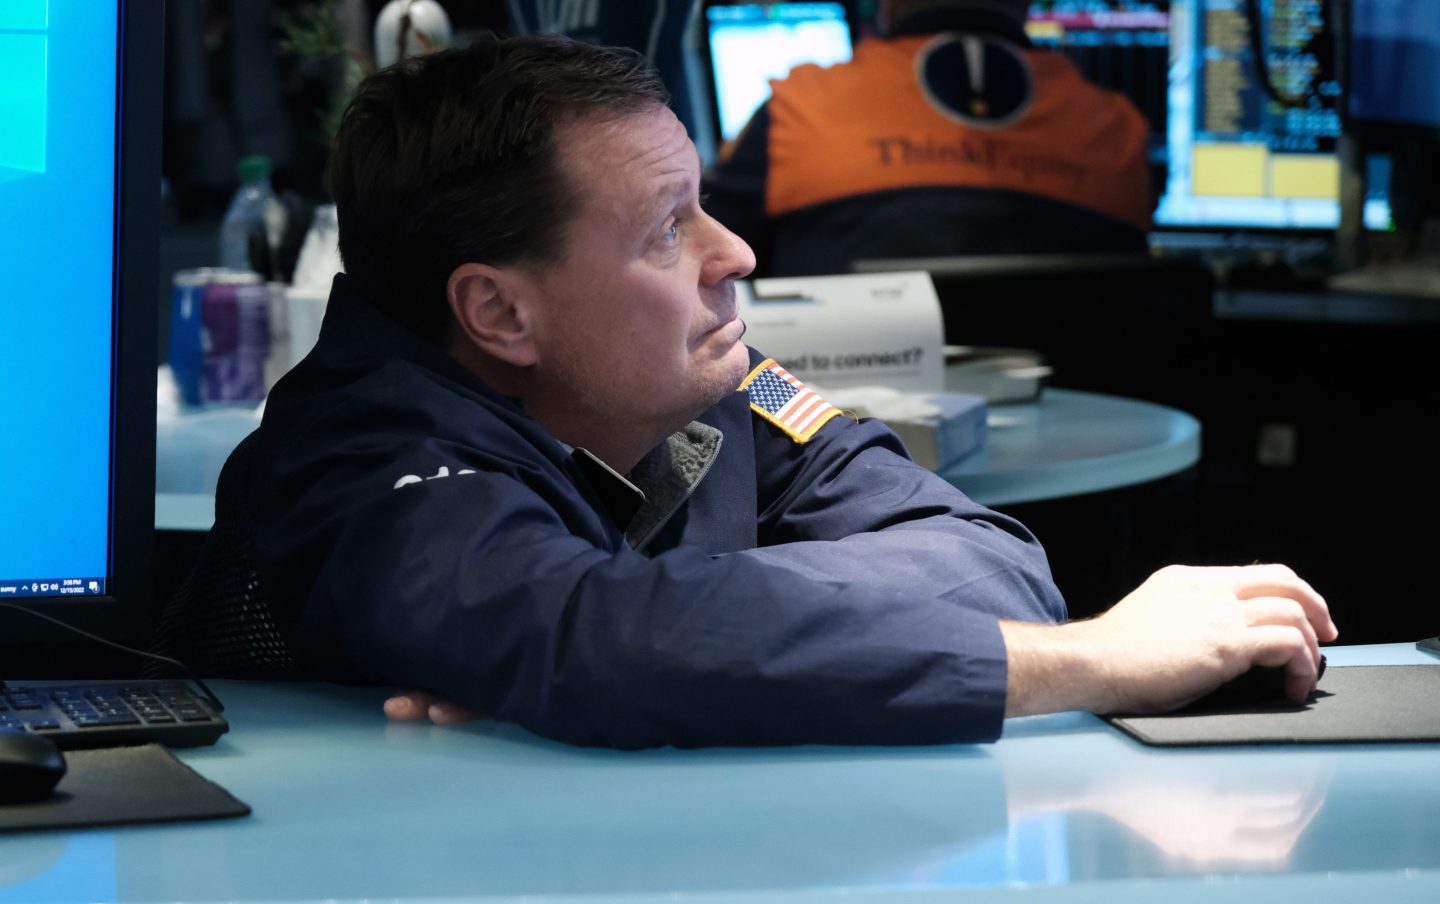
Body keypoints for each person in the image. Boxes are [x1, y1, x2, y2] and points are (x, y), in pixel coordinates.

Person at [193, 33, 1334, 748]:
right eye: (666, 229)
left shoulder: (692, 382)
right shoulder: (359, 456)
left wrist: (661, 643)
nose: (735, 251)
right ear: (500, 312)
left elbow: (995, 562)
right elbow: (599, 641)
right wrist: (1092, 662)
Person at [702, 0, 1155, 276]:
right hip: (1090, 423)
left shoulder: (796, 110)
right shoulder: (1118, 129)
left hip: (847, 427)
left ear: (888, 5)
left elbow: (703, 260)